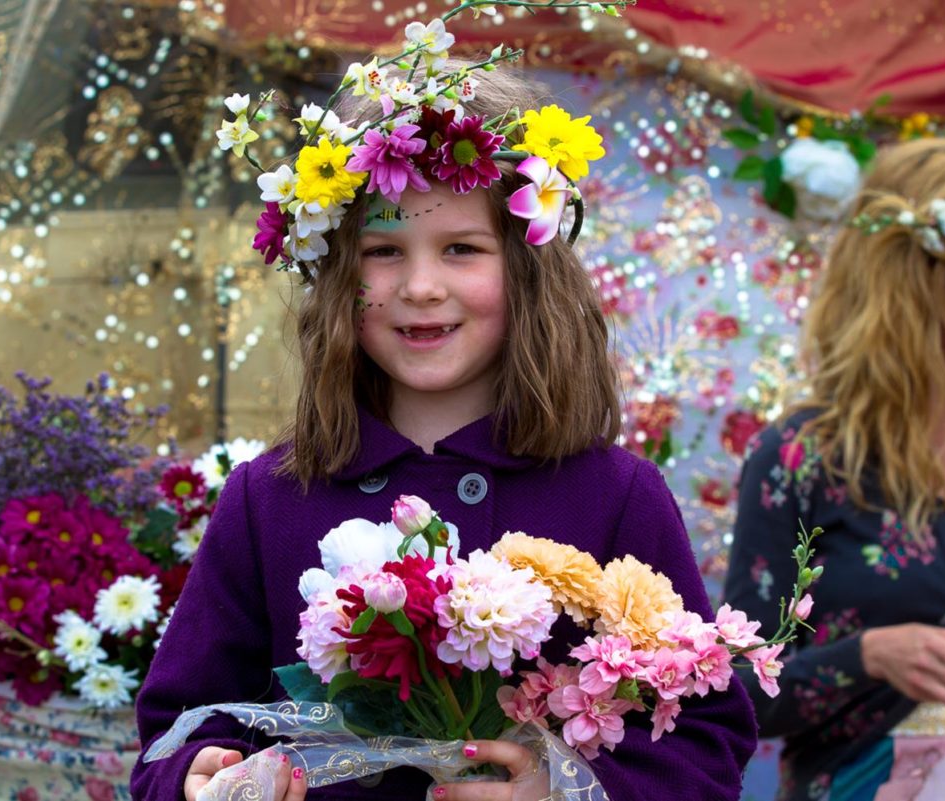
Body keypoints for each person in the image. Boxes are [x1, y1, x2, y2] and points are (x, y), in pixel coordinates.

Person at [130, 21, 757, 801]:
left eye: (462, 249)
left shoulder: (615, 495)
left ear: (528, 271)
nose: (420, 286)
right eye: (383, 251)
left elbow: (705, 742)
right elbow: (174, 729)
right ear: (335, 277)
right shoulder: (268, 499)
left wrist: (561, 789)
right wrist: (203, 777)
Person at [724, 135, 945, 801]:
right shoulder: (802, 455)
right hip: (870, 779)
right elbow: (737, 693)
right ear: (915, 283)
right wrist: (866, 656)